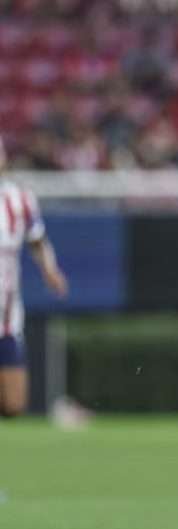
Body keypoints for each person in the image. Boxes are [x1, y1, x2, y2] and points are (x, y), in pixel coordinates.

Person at [0, 136, 69, 419]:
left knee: (14, 405)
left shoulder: (19, 199)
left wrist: (49, 269)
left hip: (7, 314)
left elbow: (37, 240)